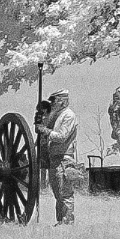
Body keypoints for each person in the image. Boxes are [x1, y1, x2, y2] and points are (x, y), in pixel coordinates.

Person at [37, 90, 79, 225]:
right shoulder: (55, 115)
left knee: (65, 193)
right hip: (54, 158)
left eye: (54, 100)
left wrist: (45, 130)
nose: (52, 103)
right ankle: (60, 221)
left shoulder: (69, 115)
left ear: (62, 101)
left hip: (64, 158)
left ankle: (67, 222)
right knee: (57, 193)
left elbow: (61, 137)